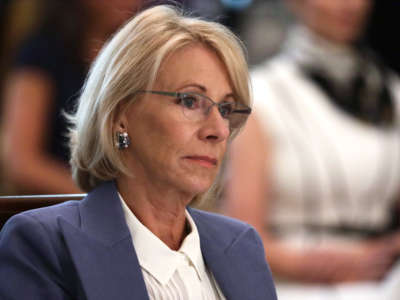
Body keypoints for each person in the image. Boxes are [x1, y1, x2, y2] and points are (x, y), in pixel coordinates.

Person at [0, 5, 277, 299]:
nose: (218, 130)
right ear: (121, 115)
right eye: (189, 101)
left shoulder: (242, 245)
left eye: (225, 108)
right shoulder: (44, 245)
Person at [224, 0, 400, 299]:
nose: (350, 6)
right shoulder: (262, 96)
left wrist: (384, 253)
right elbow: (241, 235)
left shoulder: (391, 95)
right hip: (290, 286)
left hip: (384, 280)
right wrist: (326, 263)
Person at [1, 0, 142, 194]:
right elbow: (21, 163)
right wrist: (102, 198)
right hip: (63, 206)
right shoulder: (42, 52)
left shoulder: (145, 54)